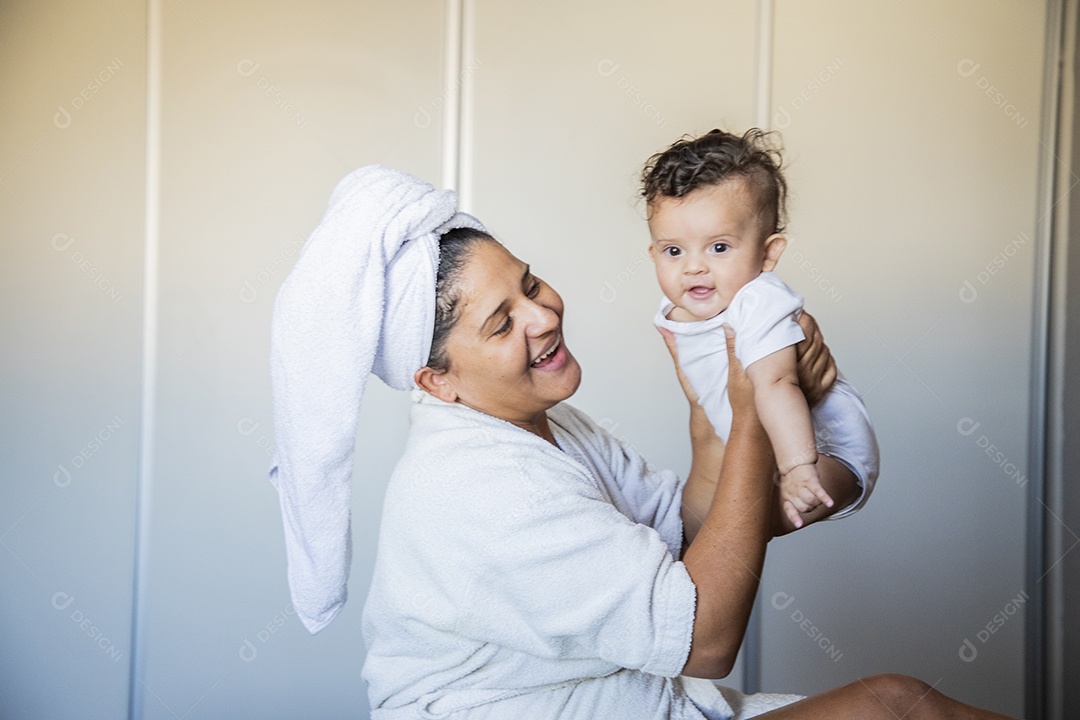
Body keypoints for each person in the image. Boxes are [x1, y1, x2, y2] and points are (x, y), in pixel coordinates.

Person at [268, 166, 1018, 719]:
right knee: (898, 707)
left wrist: (710, 412)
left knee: (903, 704)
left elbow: (689, 532)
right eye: (502, 323)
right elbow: (706, 639)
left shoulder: (543, 421)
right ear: (436, 382)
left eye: (530, 285)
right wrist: (753, 403)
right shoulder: (476, 485)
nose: (542, 317)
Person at [645, 128, 879, 530]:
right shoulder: (681, 307)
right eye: (674, 251)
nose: (693, 266)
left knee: (737, 528)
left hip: (826, 449)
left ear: (768, 254)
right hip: (762, 446)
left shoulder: (757, 301)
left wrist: (798, 468)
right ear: (653, 253)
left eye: (719, 247)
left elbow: (776, 384)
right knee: (704, 533)